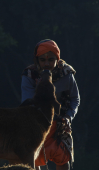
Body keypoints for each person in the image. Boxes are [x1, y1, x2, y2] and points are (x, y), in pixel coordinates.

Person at [21, 39, 80, 170]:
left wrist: (69, 117)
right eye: (43, 60)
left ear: (57, 59)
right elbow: (26, 102)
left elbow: (75, 99)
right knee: (33, 158)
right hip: (36, 123)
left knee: (63, 158)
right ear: (37, 60)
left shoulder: (66, 74)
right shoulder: (29, 75)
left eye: (51, 60)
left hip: (60, 125)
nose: (47, 63)